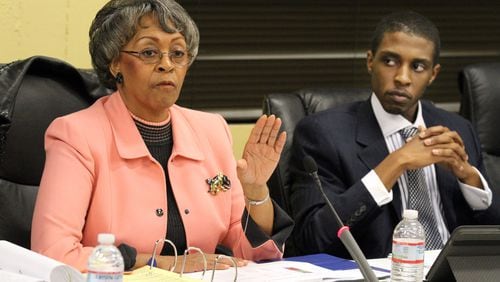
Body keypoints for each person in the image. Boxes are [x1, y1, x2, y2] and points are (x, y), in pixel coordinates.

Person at [31, 0, 293, 273]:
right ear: (115, 64)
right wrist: (163, 264)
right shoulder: (77, 135)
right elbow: (54, 253)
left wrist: (257, 194)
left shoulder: (212, 130)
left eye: (178, 53)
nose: (167, 64)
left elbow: (247, 253)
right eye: (149, 52)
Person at [289, 10, 500, 259]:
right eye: (390, 61)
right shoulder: (323, 134)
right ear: (370, 61)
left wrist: (469, 179)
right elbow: (312, 238)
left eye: (418, 66)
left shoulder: (457, 128)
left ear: (433, 74)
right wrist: (397, 161)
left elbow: (490, 234)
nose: (402, 77)